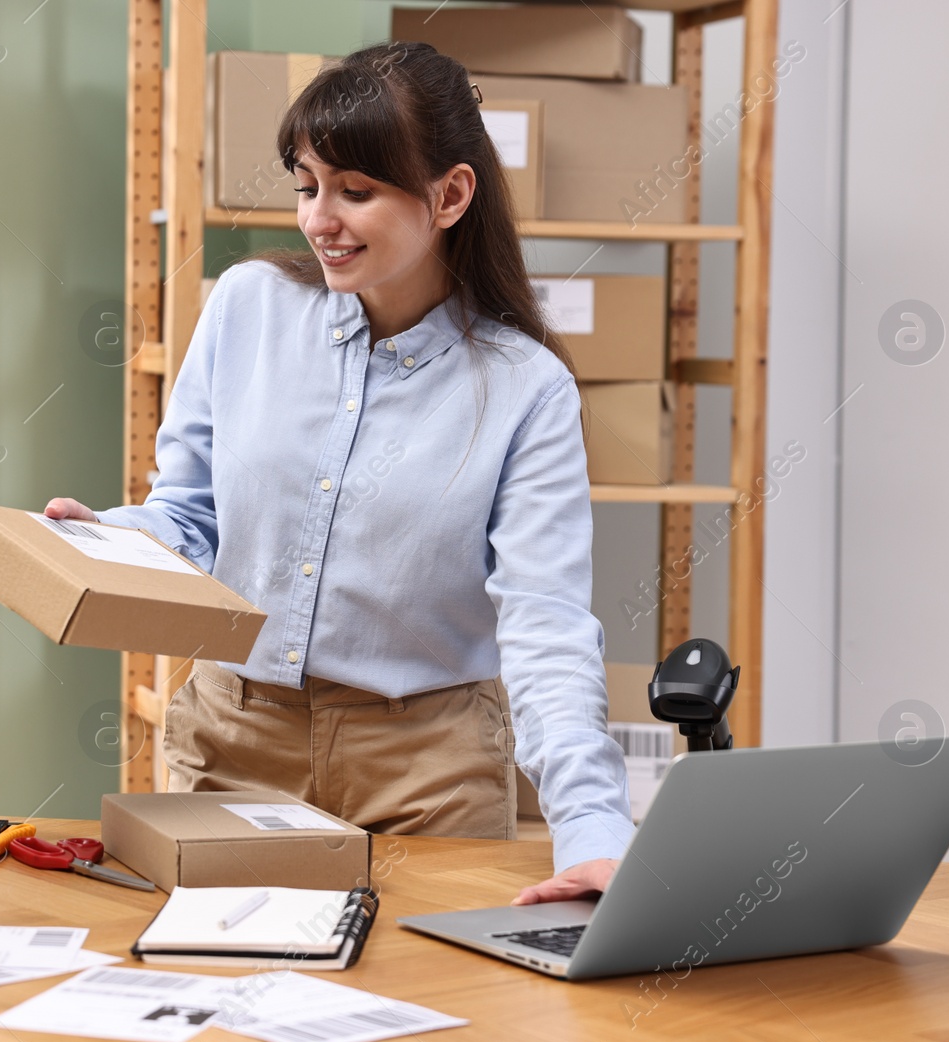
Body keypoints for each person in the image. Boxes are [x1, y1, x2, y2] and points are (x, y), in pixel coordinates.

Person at [47, 41, 633, 904]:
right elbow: (194, 519)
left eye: (356, 192)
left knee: (423, 1025)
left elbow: (545, 625)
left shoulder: (523, 389)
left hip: (425, 768)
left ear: (451, 195)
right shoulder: (246, 306)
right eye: (307, 184)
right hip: (234, 739)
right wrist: (111, 538)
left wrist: (592, 827)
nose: (320, 217)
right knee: (221, 1017)